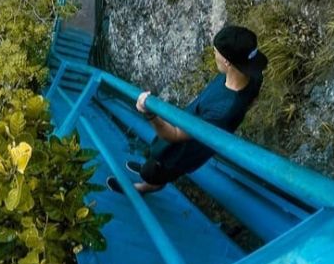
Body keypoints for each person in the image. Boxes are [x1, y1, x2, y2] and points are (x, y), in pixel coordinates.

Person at [107, 23, 268, 195]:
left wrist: (149, 113)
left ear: (228, 61)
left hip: (184, 151)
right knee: (156, 160)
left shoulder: (223, 109)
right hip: (192, 131)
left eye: (216, 52)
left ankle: (142, 188)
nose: (214, 54)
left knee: (158, 173)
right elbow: (251, 101)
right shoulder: (252, 77)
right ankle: (148, 170)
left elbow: (174, 135)